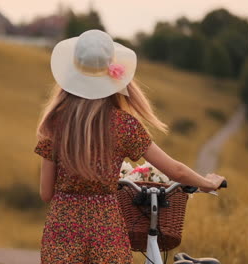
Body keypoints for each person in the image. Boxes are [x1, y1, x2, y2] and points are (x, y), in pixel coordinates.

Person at [33, 29, 225, 264]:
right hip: (107, 236)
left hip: (61, 235)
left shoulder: (54, 124)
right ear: (112, 76)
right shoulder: (124, 125)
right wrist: (207, 183)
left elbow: (45, 193)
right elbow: (176, 171)